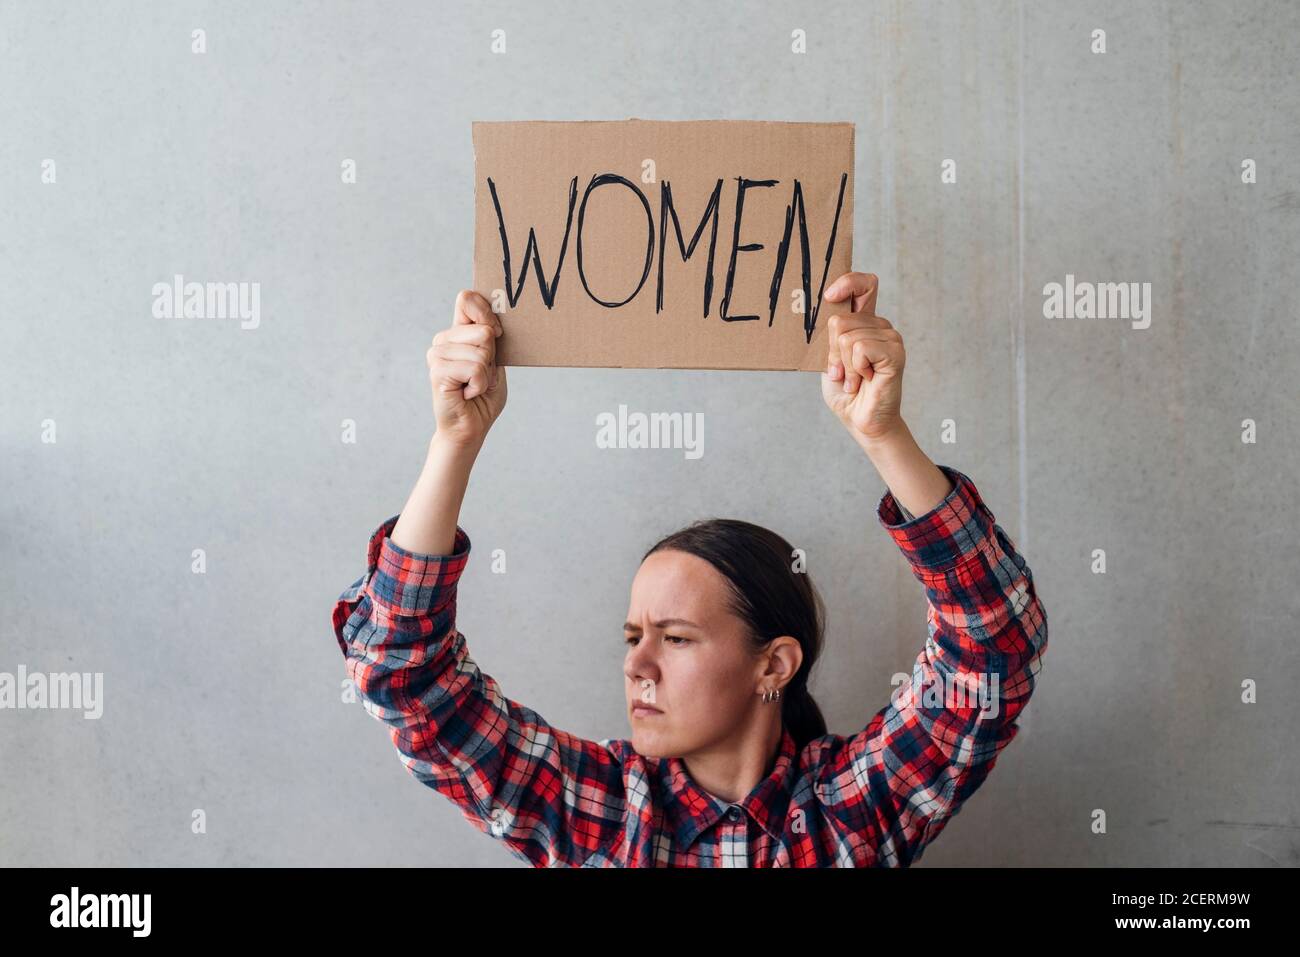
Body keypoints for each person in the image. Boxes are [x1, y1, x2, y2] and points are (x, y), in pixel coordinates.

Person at [330, 271, 1048, 867]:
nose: (636, 665)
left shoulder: (852, 810)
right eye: (633, 634)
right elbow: (404, 676)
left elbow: (993, 645)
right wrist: (454, 441)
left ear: (775, 665)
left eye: (674, 638)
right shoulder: (596, 811)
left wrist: (885, 435)